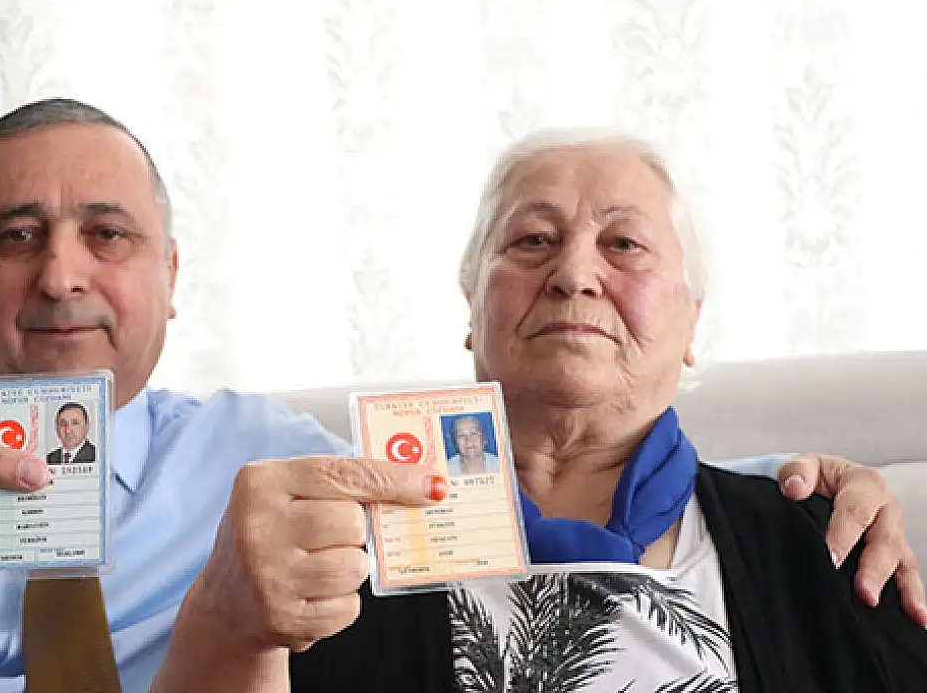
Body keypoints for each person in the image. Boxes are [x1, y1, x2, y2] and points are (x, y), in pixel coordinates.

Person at [0, 101, 921, 693]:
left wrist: (804, 493)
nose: (63, 276)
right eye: (16, 236)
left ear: (169, 278)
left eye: (107, 235)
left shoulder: (270, 456)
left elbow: (555, 474)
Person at [166, 130, 927, 691]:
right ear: (472, 306)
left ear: (692, 320)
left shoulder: (820, 536)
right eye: (533, 239)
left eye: (624, 244)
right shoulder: (332, 555)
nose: (573, 274)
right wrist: (231, 628)